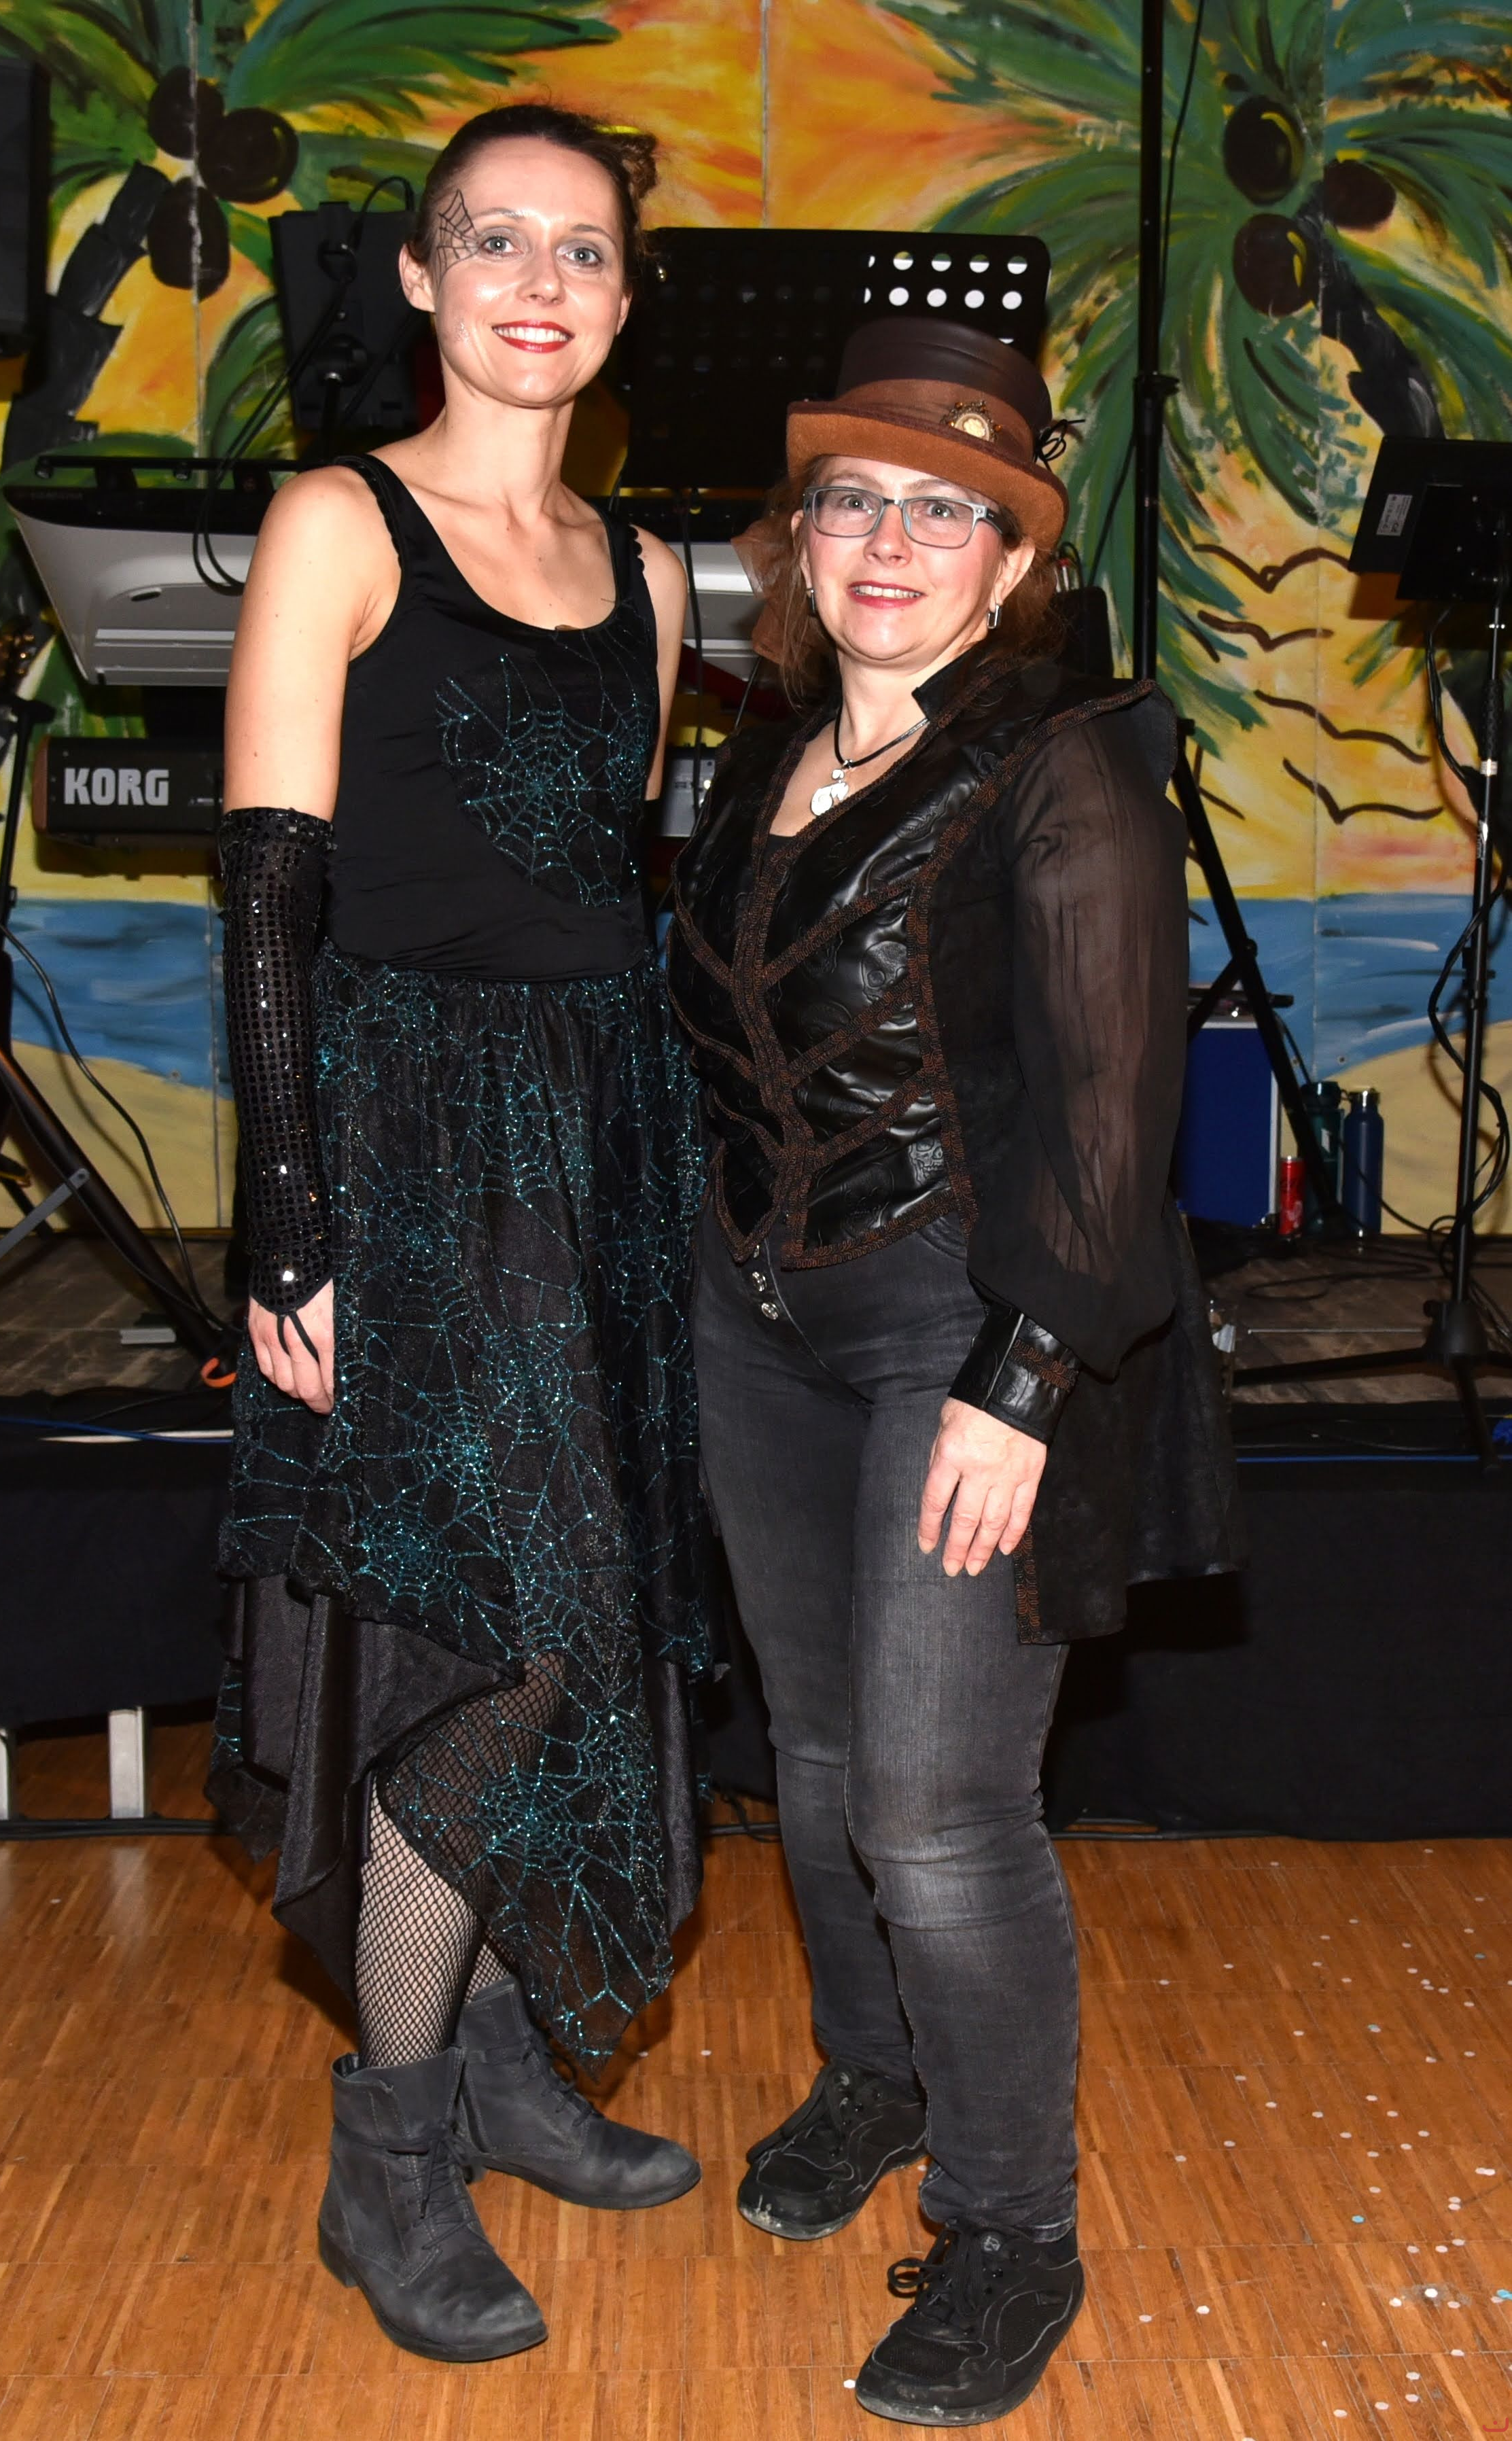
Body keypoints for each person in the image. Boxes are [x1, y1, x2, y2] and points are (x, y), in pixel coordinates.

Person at [666, 319, 1239, 2427]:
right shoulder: (762, 754)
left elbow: (1114, 1116)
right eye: (855, 501)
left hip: (961, 1322)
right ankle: (876, 2074)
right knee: (818, 1759)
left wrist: (1021, 1379)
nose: (892, 541)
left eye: (946, 511)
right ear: (798, 539)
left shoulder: (1064, 760)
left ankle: (1013, 2230)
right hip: (759, 1320)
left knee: (938, 1803)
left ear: (1011, 564)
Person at [207, 103, 709, 2366]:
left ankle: (504, 2058)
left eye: (582, 251)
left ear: (624, 298)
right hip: (406, 1150)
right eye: (494, 241)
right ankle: (391, 2146)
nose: (538, 283)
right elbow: (269, 898)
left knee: (582, 1622)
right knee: (482, 1642)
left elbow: (615, 891)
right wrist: (284, 1228)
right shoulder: (339, 519)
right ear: (418, 277)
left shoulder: (653, 576)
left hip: (600, 1144)